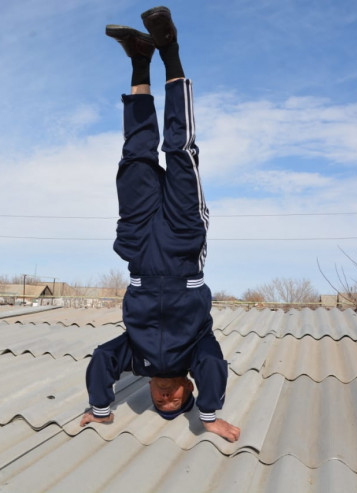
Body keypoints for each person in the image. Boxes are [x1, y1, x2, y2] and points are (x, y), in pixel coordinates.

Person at [80, 6, 241, 443]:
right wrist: (209, 415)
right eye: (175, 401)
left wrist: (101, 410)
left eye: (160, 402)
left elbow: (102, 360)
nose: (166, 399)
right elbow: (215, 367)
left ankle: (139, 58)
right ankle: (169, 49)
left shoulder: (136, 358)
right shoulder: (197, 354)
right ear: (189, 388)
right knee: (180, 149)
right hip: (183, 242)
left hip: (137, 247)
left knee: (135, 156)